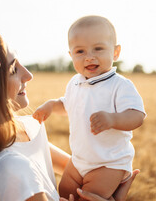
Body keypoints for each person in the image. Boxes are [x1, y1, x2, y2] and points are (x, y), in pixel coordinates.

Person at [0, 33, 139, 201]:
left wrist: (109, 184)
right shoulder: (13, 170)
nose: (29, 75)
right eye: (12, 70)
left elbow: (86, 166)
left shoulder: (27, 127)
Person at [33, 15, 146, 200]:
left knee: (90, 197)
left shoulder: (119, 85)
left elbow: (137, 115)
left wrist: (112, 119)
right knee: (64, 192)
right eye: (80, 52)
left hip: (109, 163)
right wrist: (52, 105)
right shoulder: (75, 83)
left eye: (98, 49)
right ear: (70, 55)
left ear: (115, 52)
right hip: (78, 160)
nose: (89, 57)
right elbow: (67, 105)